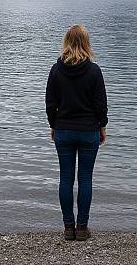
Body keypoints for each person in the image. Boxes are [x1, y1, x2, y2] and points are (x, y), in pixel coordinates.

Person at [45, 24, 108, 242]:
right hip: (88, 131)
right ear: (86, 43)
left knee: (65, 179)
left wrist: (54, 125)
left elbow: (50, 103)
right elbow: (101, 104)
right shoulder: (94, 70)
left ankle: (67, 228)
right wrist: (103, 125)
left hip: (63, 130)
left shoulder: (56, 69)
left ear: (66, 42)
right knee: (85, 179)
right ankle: (82, 228)